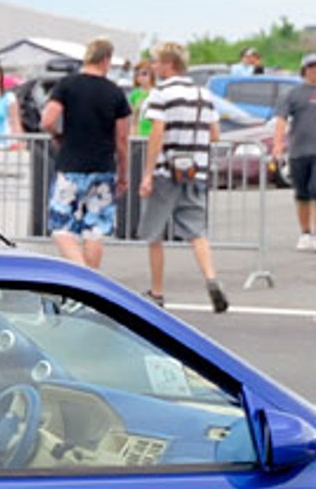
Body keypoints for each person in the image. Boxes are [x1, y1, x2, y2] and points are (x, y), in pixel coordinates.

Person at [138, 42, 228, 313]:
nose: (153, 67)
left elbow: (157, 133)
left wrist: (148, 173)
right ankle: (211, 279)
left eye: (156, 62)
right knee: (196, 231)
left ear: (168, 64)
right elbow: (215, 134)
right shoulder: (203, 94)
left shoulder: (160, 93)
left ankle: (157, 291)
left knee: (154, 233)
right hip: (195, 170)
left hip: (166, 170)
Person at [41, 36, 131, 268]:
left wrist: (58, 136)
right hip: (102, 167)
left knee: (61, 227)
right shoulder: (115, 93)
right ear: (106, 60)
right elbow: (122, 139)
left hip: (71, 164)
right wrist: (123, 173)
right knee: (94, 229)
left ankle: (80, 271)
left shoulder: (67, 85)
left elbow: (47, 119)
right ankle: (92, 281)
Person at [272, 53, 316, 250]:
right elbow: (281, 120)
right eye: (310, 67)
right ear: (304, 70)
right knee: (302, 194)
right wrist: (278, 144)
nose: (314, 70)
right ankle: (305, 233)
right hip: (299, 151)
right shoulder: (293, 94)